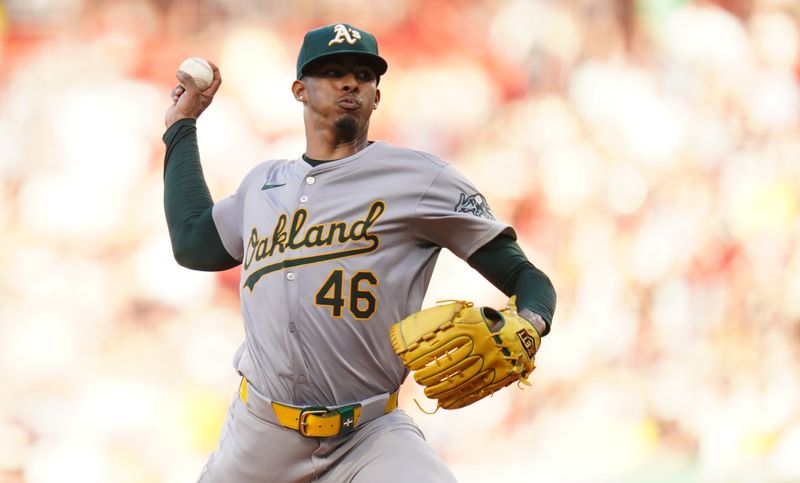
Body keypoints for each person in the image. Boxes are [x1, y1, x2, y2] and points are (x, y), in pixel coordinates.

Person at [162, 22, 556, 483]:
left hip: (369, 434)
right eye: (332, 71)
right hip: (261, 432)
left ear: (376, 95)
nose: (350, 81)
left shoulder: (420, 179)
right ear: (300, 91)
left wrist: (530, 321)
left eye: (363, 74)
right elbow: (193, 244)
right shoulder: (262, 185)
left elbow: (527, 278)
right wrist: (180, 128)